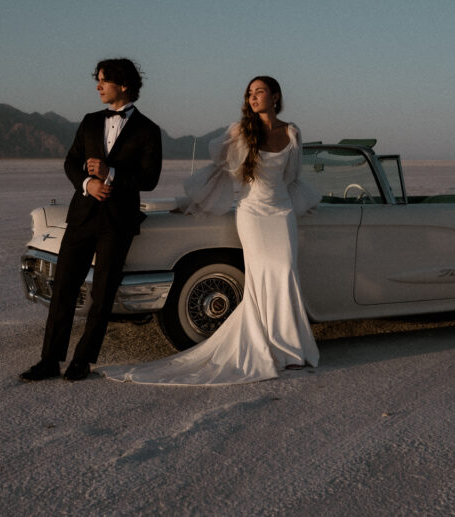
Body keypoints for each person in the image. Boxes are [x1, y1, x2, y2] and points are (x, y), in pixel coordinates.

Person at [102, 76, 320, 385]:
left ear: (275, 96)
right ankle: (267, 348)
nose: (253, 97)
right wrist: (192, 201)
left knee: (285, 271)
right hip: (253, 213)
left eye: (259, 92)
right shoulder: (240, 131)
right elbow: (218, 171)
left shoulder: (292, 132)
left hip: (282, 212)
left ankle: (291, 349)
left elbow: (293, 175)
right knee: (261, 277)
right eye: (249, 93)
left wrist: (292, 202)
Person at [20, 58, 163, 382]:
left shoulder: (148, 130)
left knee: (102, 293)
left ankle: (82, 361)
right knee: (64, 289)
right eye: (97, 80)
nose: (98, 86)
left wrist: (110, 174)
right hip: (83, 215)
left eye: (103, 81)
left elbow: (149, 178)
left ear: (123, 85)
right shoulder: (88, 121)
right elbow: (71, 162)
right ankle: (49, 361)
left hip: (118, 221)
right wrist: (87, 183)